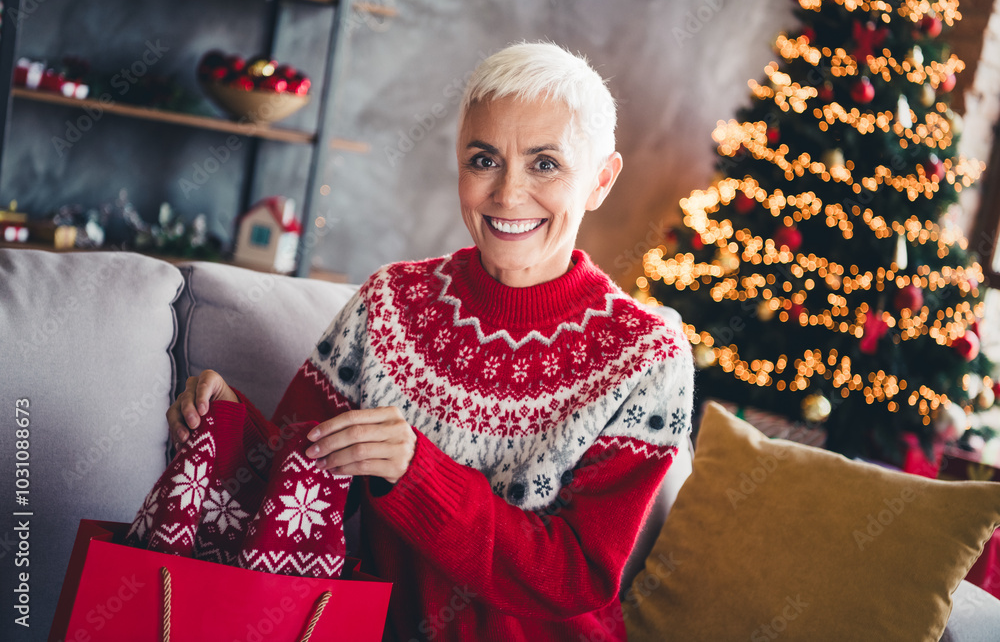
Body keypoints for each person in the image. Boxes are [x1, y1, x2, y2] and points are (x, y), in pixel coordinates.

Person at [167, 41, 694, 642]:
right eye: (484, 159)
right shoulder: (390, 301)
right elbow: (295, 482)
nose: (507, 193)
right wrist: (226, 422)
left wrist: (417, 472)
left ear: (600, 179)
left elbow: (574, 575)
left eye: (545, 163)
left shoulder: (647, 353)